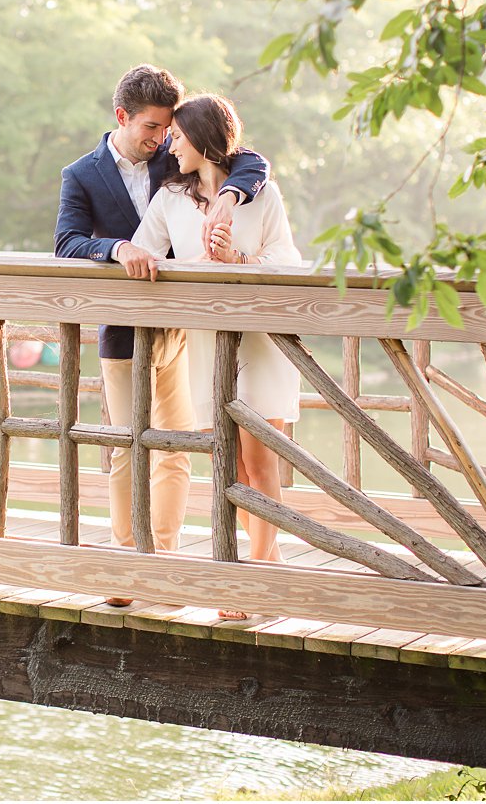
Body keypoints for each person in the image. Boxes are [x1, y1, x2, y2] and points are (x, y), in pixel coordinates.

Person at [54, 65, 269, 606]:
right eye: (153, 128)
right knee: (128, 448)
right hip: (124, 333)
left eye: (169, 129)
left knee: (176, 449)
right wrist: (116, 248)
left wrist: (230, 198)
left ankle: (165, 564)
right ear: (122, 117)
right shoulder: (81, 174)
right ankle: (129, 566)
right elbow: (67, 241)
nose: (164, 139)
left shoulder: (175, 162)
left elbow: (249, 159)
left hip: (182, 330)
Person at [130, 93, 301, 616]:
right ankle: (262, 566)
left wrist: (238, 259)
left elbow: (287, 261)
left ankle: (255, 577)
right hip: (205, 343)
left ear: (202, 140)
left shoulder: (260, 193)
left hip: (259, 340)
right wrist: (134, 256)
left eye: (178, 137)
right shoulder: (171, 197)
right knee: (229, 461)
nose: (170, 146)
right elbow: (147, 245)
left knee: (259, 458)